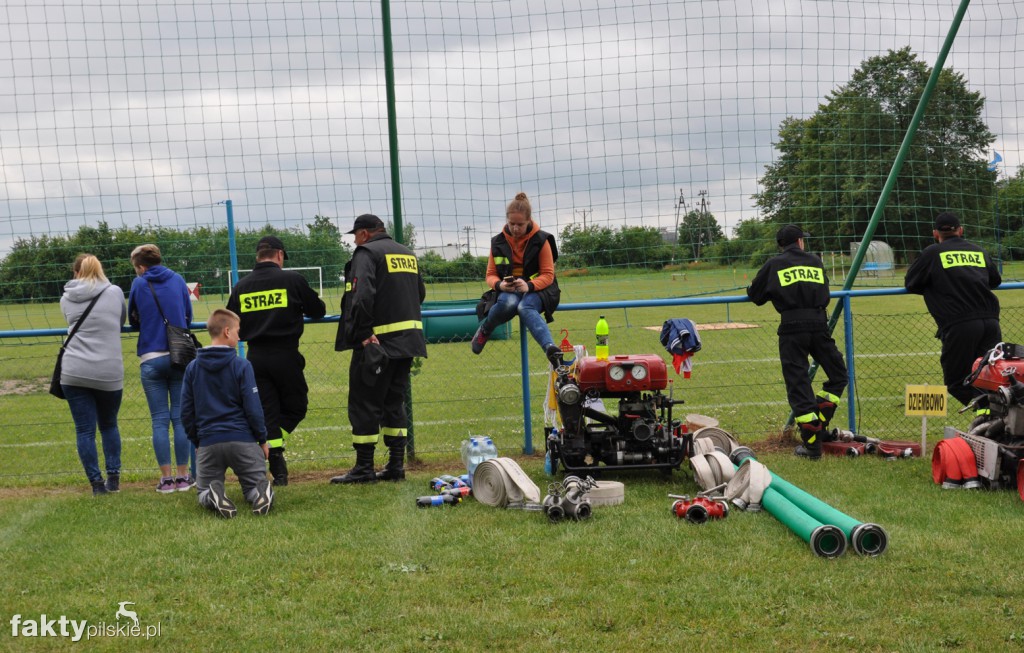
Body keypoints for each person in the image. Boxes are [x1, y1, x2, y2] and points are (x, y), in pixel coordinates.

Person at [330, 214, 428, 484]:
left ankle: (364, 468)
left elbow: (360, 296)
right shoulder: (407, 253)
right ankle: (396, 466)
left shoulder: (367, 253)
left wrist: (363, 334)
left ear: (363, 234)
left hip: (376, 345)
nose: (353, 242)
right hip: (407, 343)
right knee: (394, 402)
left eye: (354, 236)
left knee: (364, 403)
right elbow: (420, 293)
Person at [226, 235, 326, 486]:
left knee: (267, 411)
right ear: (280, 255)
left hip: (255, 357)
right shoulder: (292, 280)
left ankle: (277, 463)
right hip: (285, 354)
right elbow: (319, 310)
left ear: (258, 256)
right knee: (296, 407)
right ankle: (274, 453)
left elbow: (230, 321)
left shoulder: (241, 286)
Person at [747, 224, 848, 460]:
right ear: (800, 241)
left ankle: (813, 442)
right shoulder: (815, 261)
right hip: (819, 324)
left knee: (798, 383)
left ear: (781, 245)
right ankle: (819, 424)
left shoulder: (774, 264)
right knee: (839, 374)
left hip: (792, 328)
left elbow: (756, 296)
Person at [905, 212, 1001, 414]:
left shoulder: (933, 252)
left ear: (935, 233)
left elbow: (911, 282)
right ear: (960, 230)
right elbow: (994, 280)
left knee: (957, 381)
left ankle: (987, 415)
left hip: (960, 324)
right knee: (989, 377)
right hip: (991, 322)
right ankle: (999, 420)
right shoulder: (979, 251)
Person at [181, 309, 273, 518]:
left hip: (209, 442)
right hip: (243, 440)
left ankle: (214, 495)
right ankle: (260, 493)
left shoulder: (192, 368)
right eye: (238, 331)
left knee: (203, 491)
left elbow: (186, 412)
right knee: (253, 486)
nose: (240, 337)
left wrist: (198, 441)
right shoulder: (242, 365)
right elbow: (253, 407)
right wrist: (262, 439)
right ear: (227, 331)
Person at [127, 244, 196, 493]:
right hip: (179, 354)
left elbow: (132, 318)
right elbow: (187, 315)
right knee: (180, 418)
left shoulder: (139, 283)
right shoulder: (178, 279)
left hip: (151, 356)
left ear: (141, 266)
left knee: (159, 420)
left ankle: (166, 480)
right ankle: (184, 476)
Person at [59, 254, 127, 495]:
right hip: (108, 370)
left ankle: (96, 484)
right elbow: (120, 322)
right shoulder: (115, 292)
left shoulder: (66, 297)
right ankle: (114, 478)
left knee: (84, 431)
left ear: (76, 272)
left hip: (74, 370)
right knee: (109, 425)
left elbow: (69, 320)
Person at [471, 192, 563, 368]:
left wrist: (528, 285)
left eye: (520, 224)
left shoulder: (542, 240)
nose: (515, 228)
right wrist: (500, 285)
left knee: (524, 307)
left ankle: (551, 349)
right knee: (508, 304)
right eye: (511, 223)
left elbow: (548, 275)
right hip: (509, 289)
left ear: (529, 221)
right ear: (507, 220)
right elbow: (490, 274)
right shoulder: (497, 242)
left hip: (539, 289)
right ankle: (485, 330)